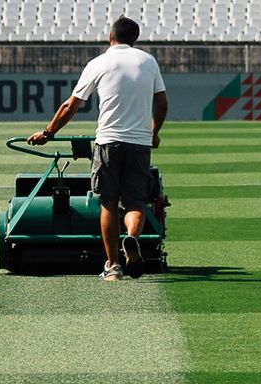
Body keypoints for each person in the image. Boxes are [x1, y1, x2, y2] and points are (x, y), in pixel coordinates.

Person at [30, 16, 168, 282]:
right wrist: (153, 133)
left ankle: (113, 266)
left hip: (108, 142)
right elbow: (162, 105)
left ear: (110, 36)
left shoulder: (99, 63)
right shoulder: (148, 61)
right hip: (139, 144)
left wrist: (48, 132)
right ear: (135, 39)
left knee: (108, 202)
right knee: (136, 202)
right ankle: (132, 238)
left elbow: (70, 105)